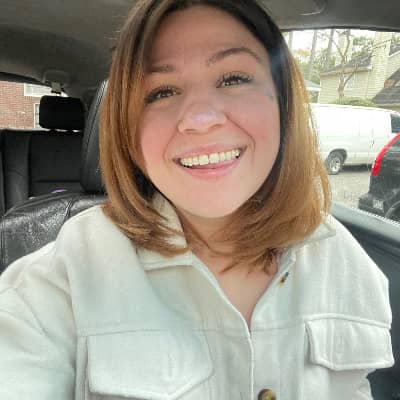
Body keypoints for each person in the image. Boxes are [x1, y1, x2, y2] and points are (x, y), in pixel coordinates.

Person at [0, 0, 394, 399]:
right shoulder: (59, 284)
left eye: (233, 79)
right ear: (128, 130)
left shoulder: (342, 258)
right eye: (162, 92)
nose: (201, 119)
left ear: (284, 103)